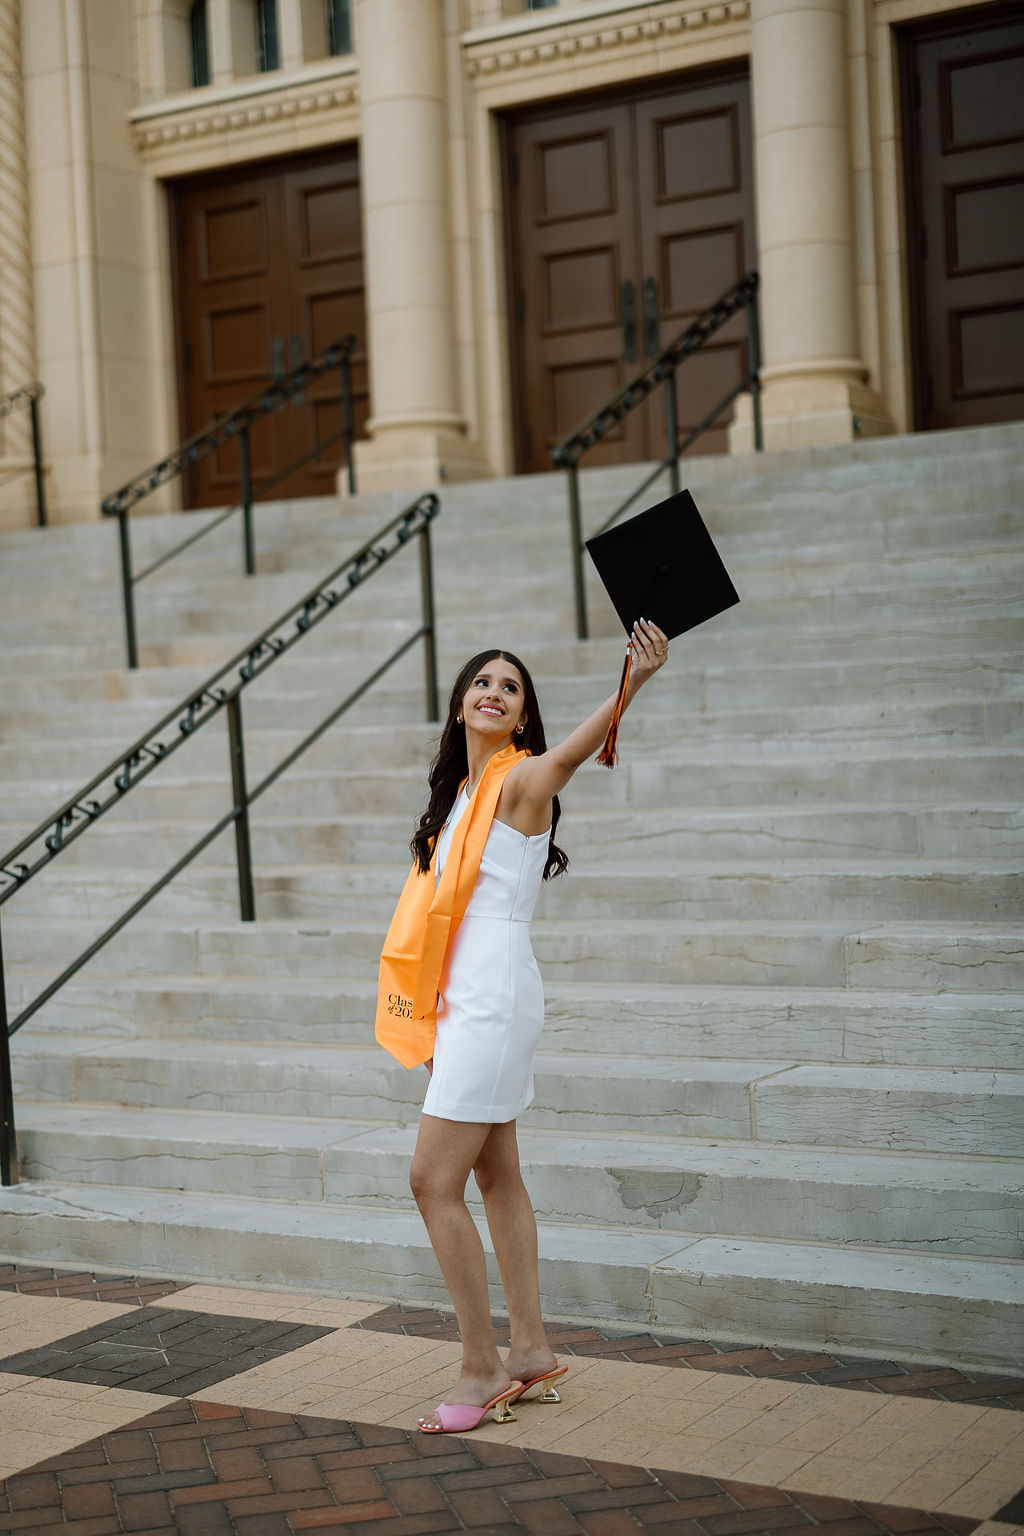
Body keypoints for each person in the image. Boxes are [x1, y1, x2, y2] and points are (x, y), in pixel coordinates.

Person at [375, 620, 669, 1434]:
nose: (494, 692)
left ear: (524, 716)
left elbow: (569, 759)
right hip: (470, 996)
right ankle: (531, 1349)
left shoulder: (521, 782)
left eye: (512, 686)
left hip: (493, 998)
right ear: (460, 702)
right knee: (495, 1175)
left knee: (431, 1182)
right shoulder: (461, 797)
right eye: (483, 681)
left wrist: (628, 687)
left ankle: (481, 1363)